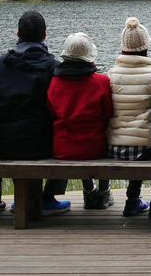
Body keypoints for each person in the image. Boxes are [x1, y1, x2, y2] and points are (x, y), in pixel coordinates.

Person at [0, 10, 70, 216]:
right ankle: (44, 198)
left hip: (3, 142)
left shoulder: (2, 64)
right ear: (45, 35)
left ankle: (7, 200)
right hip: (40, 144)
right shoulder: (53, 67)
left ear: (17, 34)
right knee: (63, 134)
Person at [47, 32, 114, 209]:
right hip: (94, 147)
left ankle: (89, 191)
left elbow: (52, 112)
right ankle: (104, 191)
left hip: (62, 147)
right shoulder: (101, 82)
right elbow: (108, 113)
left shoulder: (55, 82)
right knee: (101, 134)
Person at [107, 17, 151, 217]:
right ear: (146, 46)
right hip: (147, 148)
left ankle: (132, 200)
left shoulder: (110, 74)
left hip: (113, 148)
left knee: (139, 142)